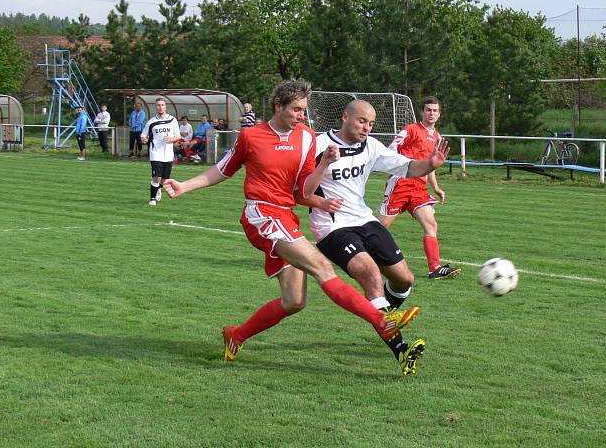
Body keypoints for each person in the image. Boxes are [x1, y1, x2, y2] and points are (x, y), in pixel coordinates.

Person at [162, 79, 418, 364]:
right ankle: (381, 320)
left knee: (294, 301)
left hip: (286, 216)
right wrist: (185, 186)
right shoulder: (252, 136)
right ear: (278, 106)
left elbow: (304, 190)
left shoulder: (307, 137)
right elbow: (222, 170)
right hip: (261, 213)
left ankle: (236, 335)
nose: (302, 115)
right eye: (296, 109)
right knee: (322, 266)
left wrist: (322, 177)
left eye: (304, 110)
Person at [302, 99, 449, 375]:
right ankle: (401, 350)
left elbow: (407, 167)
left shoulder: (371, 146)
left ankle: (381, 315)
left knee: (404, 279)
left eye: (370, 123)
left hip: (364, 219)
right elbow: (303, 190)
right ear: (345, 117)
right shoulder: (318, 145)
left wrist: (430, 164)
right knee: (370, 273)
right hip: (332, 227)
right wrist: (323, 165)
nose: (366, 128)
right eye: (361, 121)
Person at [378, 96, 461, 280]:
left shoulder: (437, 137)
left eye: (435, 110)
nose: (431, 113)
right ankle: (359, 254)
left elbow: (430, 165)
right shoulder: (410, 130)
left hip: (418, 188)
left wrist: (436, 186)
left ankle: (435, 269)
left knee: (431, 224)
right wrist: (398, 167)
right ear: (422, 112)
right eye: (428, 110)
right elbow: (391, 150)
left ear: (439, 114)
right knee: (381, 227)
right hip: (401, 182)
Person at [142, 97, 181, 206]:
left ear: (165, 106)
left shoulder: (172, 120)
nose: (160, 107)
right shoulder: (152, 122)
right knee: (156, 177)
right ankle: (152, 199)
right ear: (156, 107)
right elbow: (144, 135)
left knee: (164, 180)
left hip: (168, 154)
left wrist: (172, 139)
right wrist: (144, 139)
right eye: (158, 105)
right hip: (155, 153)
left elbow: (178, 136)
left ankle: (158, 187)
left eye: (162, 105)